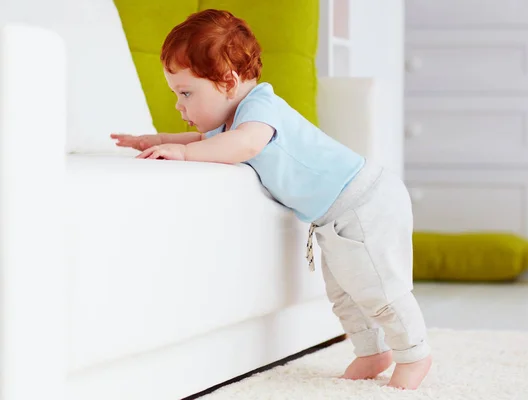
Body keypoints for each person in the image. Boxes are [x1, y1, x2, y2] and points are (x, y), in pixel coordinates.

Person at [110, 9, 432, 390]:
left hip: (364, 202)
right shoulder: (234, 121)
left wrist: (183, 155)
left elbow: (244, 144)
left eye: (186, 93)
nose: (180, 106)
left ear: (228, 81)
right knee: (344, 290)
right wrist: (158, 141)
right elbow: (208, 140)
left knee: (378, 287)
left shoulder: (260, 108)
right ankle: (371, 352)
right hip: (335, 215)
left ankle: (415, 354)